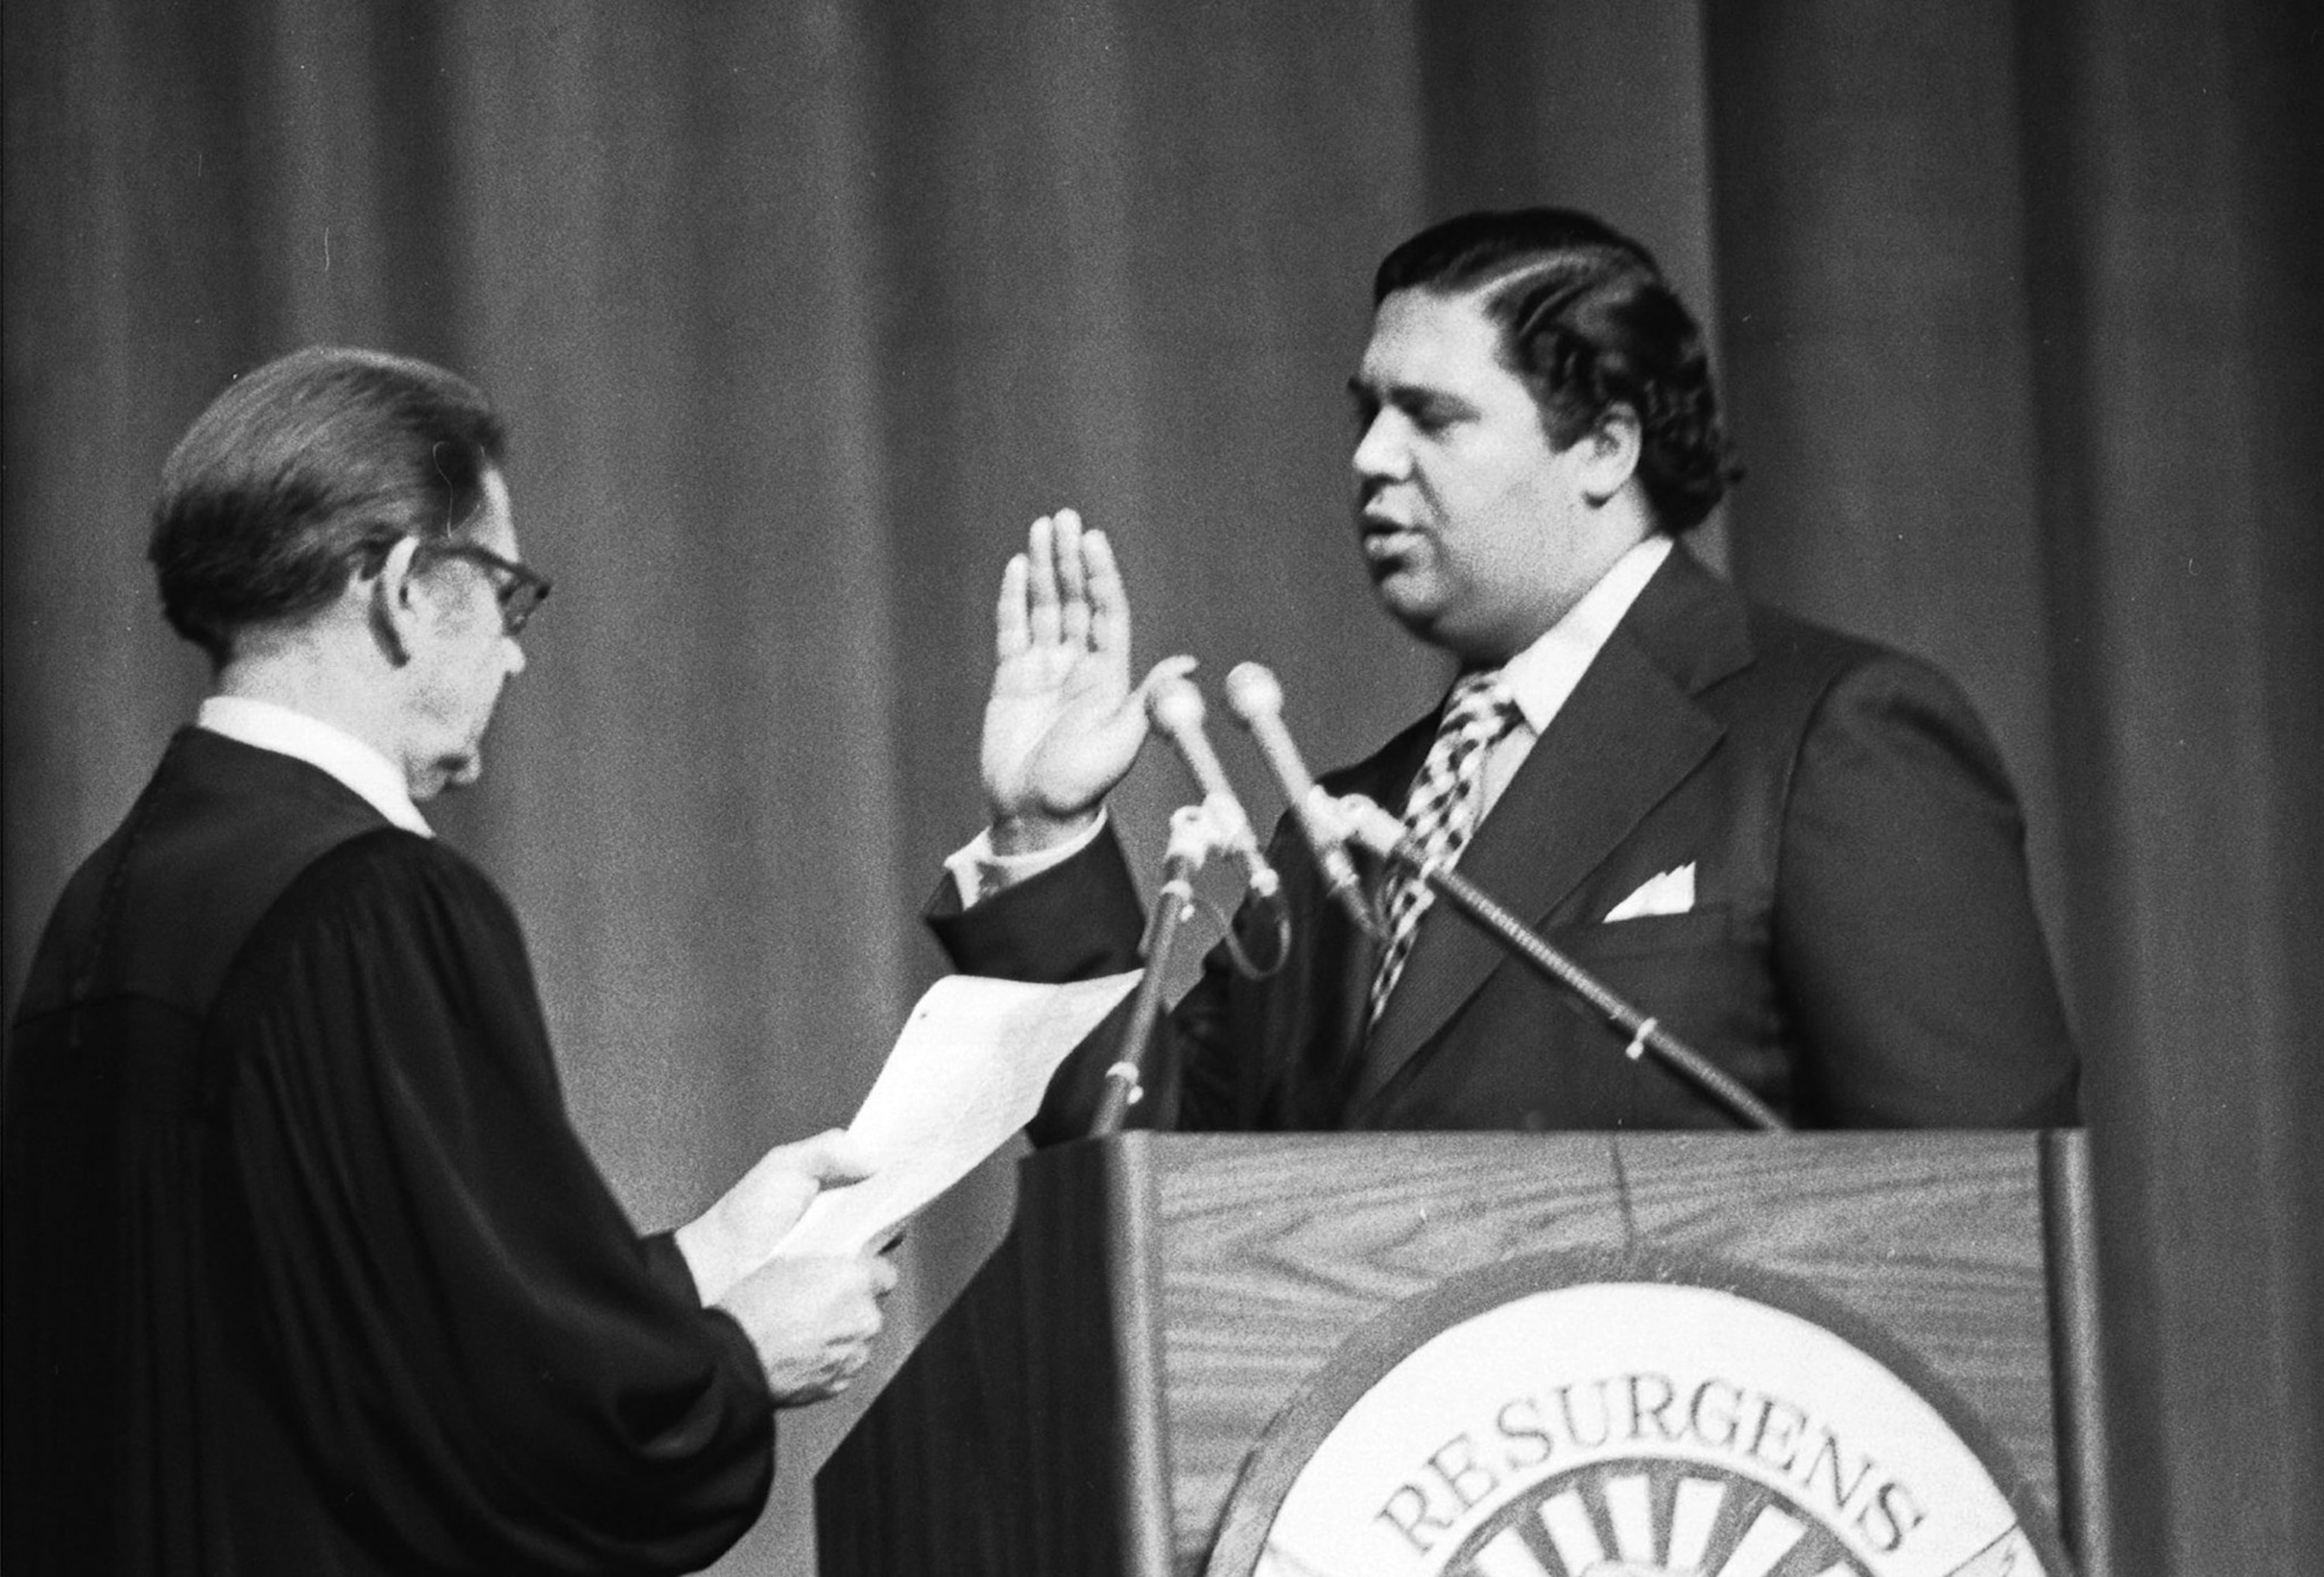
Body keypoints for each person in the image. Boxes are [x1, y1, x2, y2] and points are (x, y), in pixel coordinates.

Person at [2, 346, 898, 1575]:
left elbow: (375, 1321)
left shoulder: (105, 905)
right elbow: (486, 1436)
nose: (518, 654)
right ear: (413, 586)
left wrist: (704, 1257)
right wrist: (739, 1362)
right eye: (510, 594)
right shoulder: (365, 902)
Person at [928, 208, 2078, 1138]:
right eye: (1366, 416)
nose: (1371, 460)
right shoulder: (1349, 823)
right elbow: (1144, 1186)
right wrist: (1044, 833)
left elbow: (1973, 1226)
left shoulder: (1835, 734)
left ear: (1604, 447)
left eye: (1430, 417)